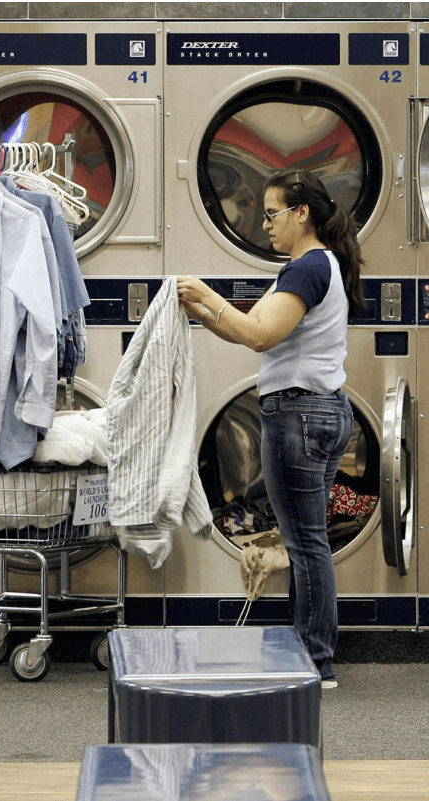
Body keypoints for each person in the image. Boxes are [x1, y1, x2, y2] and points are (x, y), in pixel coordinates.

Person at [177, 169, 365, 687]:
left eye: (272, 213)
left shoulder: (307, 267)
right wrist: (199, 309)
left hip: (300, 416)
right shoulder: (313, 266)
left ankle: (315, 663)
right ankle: (309, 658)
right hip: (325, 411)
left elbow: (260, 335)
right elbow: (247, 329)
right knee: (307, 540)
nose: (266, 225)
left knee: (304, 543)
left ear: (301, 213)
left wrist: (208, 294)